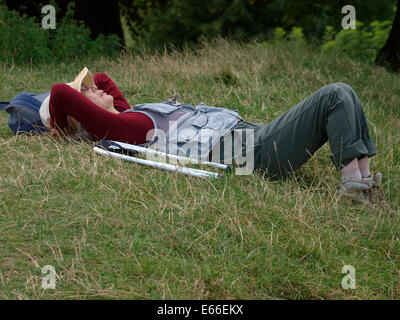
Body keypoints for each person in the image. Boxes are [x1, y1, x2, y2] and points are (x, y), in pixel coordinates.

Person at [47, 68, 384, 209]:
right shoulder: (123, 130)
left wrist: (96, 90)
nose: (95, 86)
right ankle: (354, 190)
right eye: (86, 91)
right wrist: (61, 125)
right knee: (336, 95)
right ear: (83, 118)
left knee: (344, 95)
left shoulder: (127, 116)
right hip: (242, 152)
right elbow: (61, 93)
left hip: (248, 136)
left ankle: (363, 184)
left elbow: (106, 82)